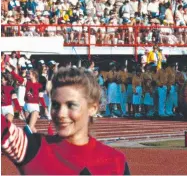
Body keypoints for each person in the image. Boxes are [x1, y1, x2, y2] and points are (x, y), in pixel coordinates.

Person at [2, 66, 130, 174]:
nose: (60, 114)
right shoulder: (34, 148)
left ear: (93, 108)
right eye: (56, 105)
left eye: (71, 105)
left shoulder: (116, 162)